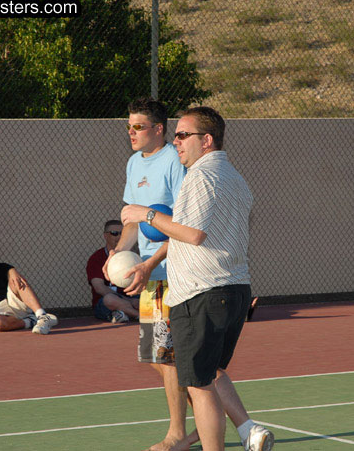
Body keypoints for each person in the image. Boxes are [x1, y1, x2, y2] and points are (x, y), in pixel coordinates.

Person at [121, 107, 274, 451]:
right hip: (234, 289)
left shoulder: (200, 177)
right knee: (211, 374)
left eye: (182, 135)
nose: (175, 141)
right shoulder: (236, 178)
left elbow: (193, 234)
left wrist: (147, 214)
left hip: (202, 294)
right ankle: (246, 429)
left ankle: (211, 441)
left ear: (206, 141)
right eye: (175, 134)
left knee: (200, 385)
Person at [103, 97, 188, 451]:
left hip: (176, 270)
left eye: (138, 126)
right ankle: (211, 405)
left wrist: (150, 263)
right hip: (151, 272)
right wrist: (119, 254)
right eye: (129, 126)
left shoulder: (174, 161)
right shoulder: (133, 163)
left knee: (165, 354)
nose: (131, 132)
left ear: (158, 129)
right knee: (158, 356)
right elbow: (133, 223)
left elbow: (184, 225)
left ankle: (178, 434)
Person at [86, 220, 139, 323]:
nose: (119, 237)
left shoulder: (131, 257)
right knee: (109, 299)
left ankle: (123, 313)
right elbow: (99, 288)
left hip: (132, 299)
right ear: (105, 236)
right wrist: (129, 301)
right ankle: (140, 316)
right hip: (106, 303)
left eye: (122, 234)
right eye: (114, 233)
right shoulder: (96, 258)